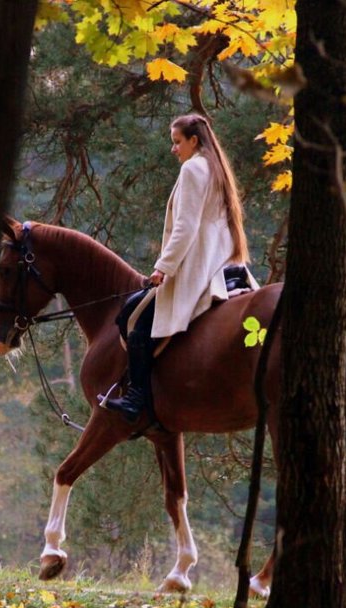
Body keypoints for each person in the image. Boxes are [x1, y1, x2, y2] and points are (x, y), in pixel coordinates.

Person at [105, 113, 256, 422]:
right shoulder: (216, 168)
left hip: (199, 266)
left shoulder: (193, 168)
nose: (173, 149)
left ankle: (136, 398)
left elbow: (185, 229)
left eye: (177, 142)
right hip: (224, 262)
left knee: (134, 318)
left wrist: (163, 268)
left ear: (193, 141)